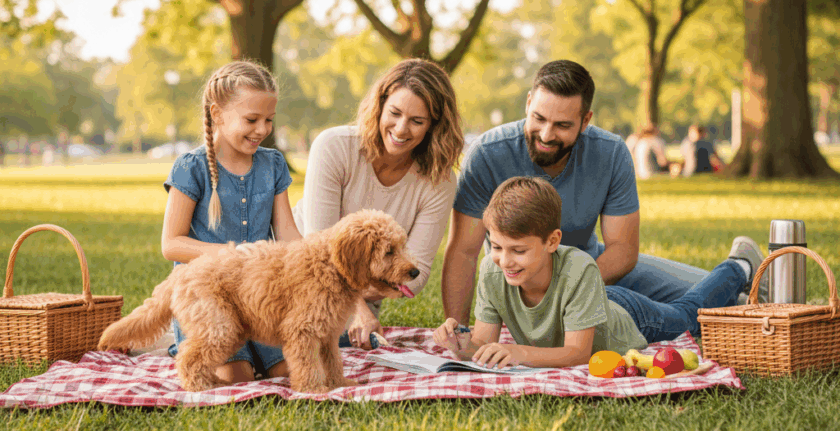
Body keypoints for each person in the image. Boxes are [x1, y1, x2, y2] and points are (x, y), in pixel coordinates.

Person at [441, 59, 710, 326]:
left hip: (592, 270)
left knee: (718, 293)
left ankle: (741, 268)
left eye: (562, 125)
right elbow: (464, 251)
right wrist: (458, 328)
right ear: (528, 103)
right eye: (539, 118)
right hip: (521, 283)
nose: (546, 135)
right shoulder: (488, 154)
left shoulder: (611, 152)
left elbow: (623, 249)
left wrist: (570, 290)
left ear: (585, 121)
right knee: (658, 315)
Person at [433, 177, 765, 369]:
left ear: (552, 241)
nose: (505, 260)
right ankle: (735, 299)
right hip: (586, 306)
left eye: (518, 250)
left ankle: (739, 265)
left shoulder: (578, 269)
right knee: (709, 311)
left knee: (688, 316)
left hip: (625, 319)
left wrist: (520, 352)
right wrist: (459, 343)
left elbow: (578, 353)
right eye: (497, 246)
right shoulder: (492, 270)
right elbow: (482, 343)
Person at [293, 59, 464, 349]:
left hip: (359, 293)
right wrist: (358, 307)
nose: (401, 129)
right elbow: (318, 248)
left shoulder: (440, 181)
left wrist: (358, 301)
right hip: (299, 273)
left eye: (417, 121)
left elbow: (416, 272)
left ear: (434, 126)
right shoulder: (335, 147)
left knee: (336, 346)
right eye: (394, 113)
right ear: (380, 107)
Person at [162, 60, 303, 384]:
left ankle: (257, 350)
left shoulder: (273, 164)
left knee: (292, 371)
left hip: (261, 299)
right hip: (209, 299)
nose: (262, 130)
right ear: (217, 114)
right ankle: (184, 342)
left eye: (269, 119)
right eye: (252, 119)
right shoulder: (191, 167)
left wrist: (313, 263)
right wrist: (234, 254)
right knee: (237, 378)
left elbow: (287, 233)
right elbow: (171, 244)